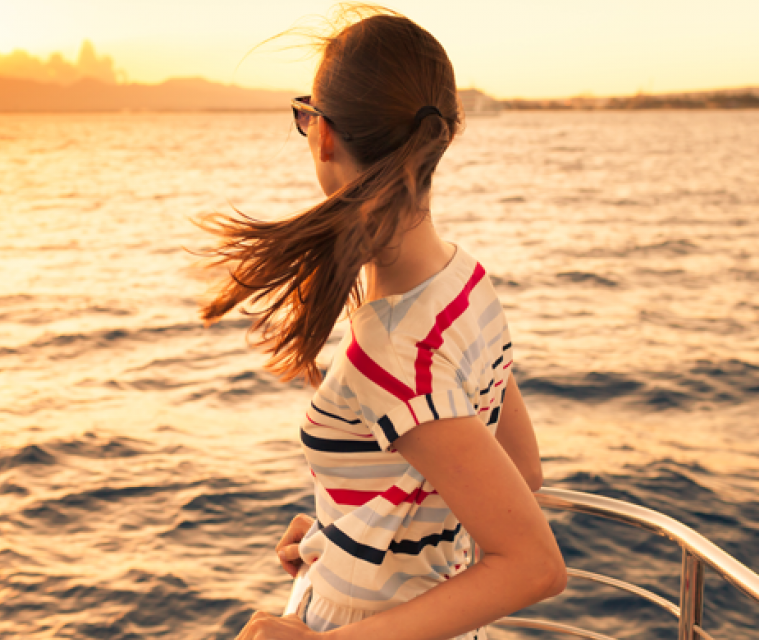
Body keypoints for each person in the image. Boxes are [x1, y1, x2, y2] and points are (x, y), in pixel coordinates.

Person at [197, 7, 567, 639]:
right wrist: (337, 530)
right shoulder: (466, 286)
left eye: (305, 114)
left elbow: (533, 566)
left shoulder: (392, 349)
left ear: (323, 135)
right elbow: (517, 475)